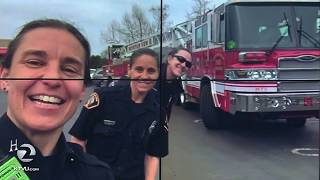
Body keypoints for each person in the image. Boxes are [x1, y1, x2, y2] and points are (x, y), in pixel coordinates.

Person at [0, 19, 114, 180]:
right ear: (5, 77)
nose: (53, 79)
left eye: (69, 69)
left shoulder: (98, 175)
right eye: (34, 62)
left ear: (82, 90)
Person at [69, 48, 166, 180]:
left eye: (151, 71)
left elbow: (152, 155)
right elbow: (78, 140)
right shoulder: (103, 98)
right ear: (129, 70)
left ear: (158, 74)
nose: (144, 76)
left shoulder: (158, 113)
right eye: (139, 69)